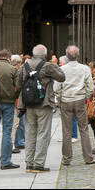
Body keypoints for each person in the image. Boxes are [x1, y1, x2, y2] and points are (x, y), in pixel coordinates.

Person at [17, 44, 65, 173]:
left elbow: (18, 83)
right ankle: (38, 164)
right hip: (43, 103)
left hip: (28, 104)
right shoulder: (47, 66)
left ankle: (29, 163)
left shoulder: (24, 66)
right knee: (43, 133)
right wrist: (52, 65)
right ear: (44, 55)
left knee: (30, 133)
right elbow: (62, 77)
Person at [57, 45, 95, 166]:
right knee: (84, 129)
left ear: (66, 56)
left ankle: (66, 158)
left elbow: (57, 87)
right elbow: (90, 87)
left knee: (66, 130)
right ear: (78, 55)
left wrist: (60, 99)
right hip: (79, 99)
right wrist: (85, 97)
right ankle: (88, 158)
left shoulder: (62, 69)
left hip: (66, 100)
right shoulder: (84, 69)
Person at [0, 48, 20, 170]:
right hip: (8, 102)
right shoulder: (12, 69)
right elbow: (18, 87)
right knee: (7, 131)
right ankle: (5, 161)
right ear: (9, 58)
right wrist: (14, 96)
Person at [12, 54, 28, 153]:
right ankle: (17, 142)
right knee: (17, 123)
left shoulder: (14, 72)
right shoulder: (15, 73)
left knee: (18, 123)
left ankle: (18, 141)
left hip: (15, 100)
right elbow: (16, 89)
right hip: (16, 101)